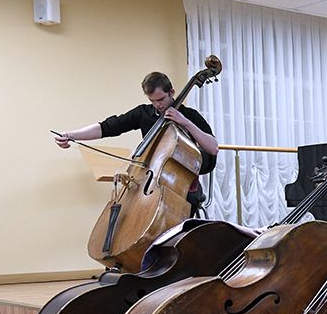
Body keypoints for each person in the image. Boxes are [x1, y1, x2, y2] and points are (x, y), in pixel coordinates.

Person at [55, 71, 218, 216]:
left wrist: (185, 122)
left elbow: (213, 148)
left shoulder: (189, 115)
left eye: (161, 99)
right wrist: (71, 135)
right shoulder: (143, 113)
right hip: (150, 185)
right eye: (153, 101)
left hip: (182, 189)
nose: (158, 105)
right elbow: (107, 127)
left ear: (172, 92)